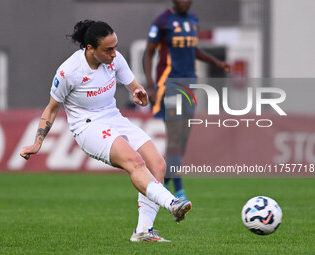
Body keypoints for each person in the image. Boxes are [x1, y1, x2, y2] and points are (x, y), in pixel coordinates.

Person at [19, 20, 192, 242]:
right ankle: (172, 203)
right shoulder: (68, 72)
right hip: (88, 126)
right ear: (90, 49)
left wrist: (138, 91)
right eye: (107, 49)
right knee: (135, 162)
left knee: (158, 164)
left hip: (113, 118)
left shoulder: (114, 59)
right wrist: (37, 142)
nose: (114, 53)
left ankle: (143, 232)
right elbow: (51, 109)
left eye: (115, 47)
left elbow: (133, 84)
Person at [143, 0, 231, 198]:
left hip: (190, 86)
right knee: (175, 138)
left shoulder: (193, 20)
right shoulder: (163, 21)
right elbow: (148, 53)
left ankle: (163, 184)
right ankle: (179, 191)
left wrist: (217, 62)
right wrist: (150, 85)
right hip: (170, 85)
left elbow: (193, 50)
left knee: (182, 140)